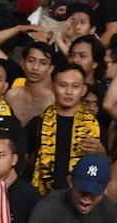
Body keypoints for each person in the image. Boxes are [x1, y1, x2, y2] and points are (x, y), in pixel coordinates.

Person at [28, 63, 102, 196]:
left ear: (83, 89)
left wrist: (99, 150)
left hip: (80, 197)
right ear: (53, 87)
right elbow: (25, 159)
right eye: (62, 85)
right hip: (42, 198)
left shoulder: (94, 125)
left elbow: (105, 164)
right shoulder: (38, 123)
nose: (69, 92)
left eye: (75, 86)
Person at [4, 41, 56, 126]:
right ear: (23, 63)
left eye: (43, 63)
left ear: (50, 69)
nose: (35, 67)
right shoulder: (12, 95)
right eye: (31, 61)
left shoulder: (53, 100)